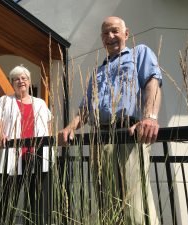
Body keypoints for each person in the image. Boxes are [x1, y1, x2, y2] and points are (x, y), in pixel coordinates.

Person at [60, 16, 162, 225]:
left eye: (115, 31)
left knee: (134, 204)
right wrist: (69, 128)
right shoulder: (98, 71)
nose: (110, 36)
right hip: (100, 138)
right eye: (105, 33)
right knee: (106, 201)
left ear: (126, 33)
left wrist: (149, 117)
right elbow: (86, 108)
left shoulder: (139, 53)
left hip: (129, 134)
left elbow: (152, 82)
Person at [0, 65, 52, 225]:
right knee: (4, 197)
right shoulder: (5, 100)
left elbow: (49, 125)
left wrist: (50, 147)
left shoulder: (40, 103)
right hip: (12, 155)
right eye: (16, 79)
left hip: (38, 156)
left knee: (37, 199)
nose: (21, 81)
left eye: (24, 78)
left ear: (29, 82)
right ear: (12, 83)